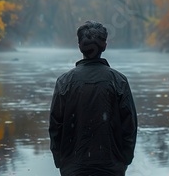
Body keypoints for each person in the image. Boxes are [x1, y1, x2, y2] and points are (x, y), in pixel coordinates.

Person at [49, 21, 138, 176]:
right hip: (111, 166)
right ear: (104, 46)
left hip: (73, 167)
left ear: (79, 46)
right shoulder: (119, 81)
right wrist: (124, 159)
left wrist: (60, 161)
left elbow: (55, 126)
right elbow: (129, 126)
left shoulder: (64, 82)